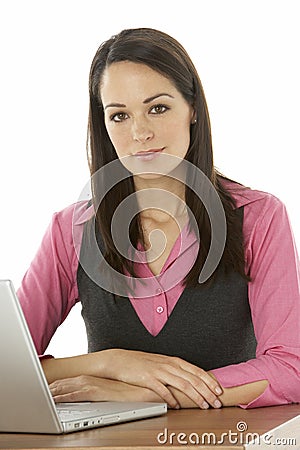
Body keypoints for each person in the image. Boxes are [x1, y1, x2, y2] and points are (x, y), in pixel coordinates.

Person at [17, 28, 300, 410]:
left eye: (158, 108)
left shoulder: (258, 218)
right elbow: (8, 367)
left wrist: (152, 394)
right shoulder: (71, 230)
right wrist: (112, 364)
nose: (140, 132)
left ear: (193, 108)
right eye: (119, 115)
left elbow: (291, 370)